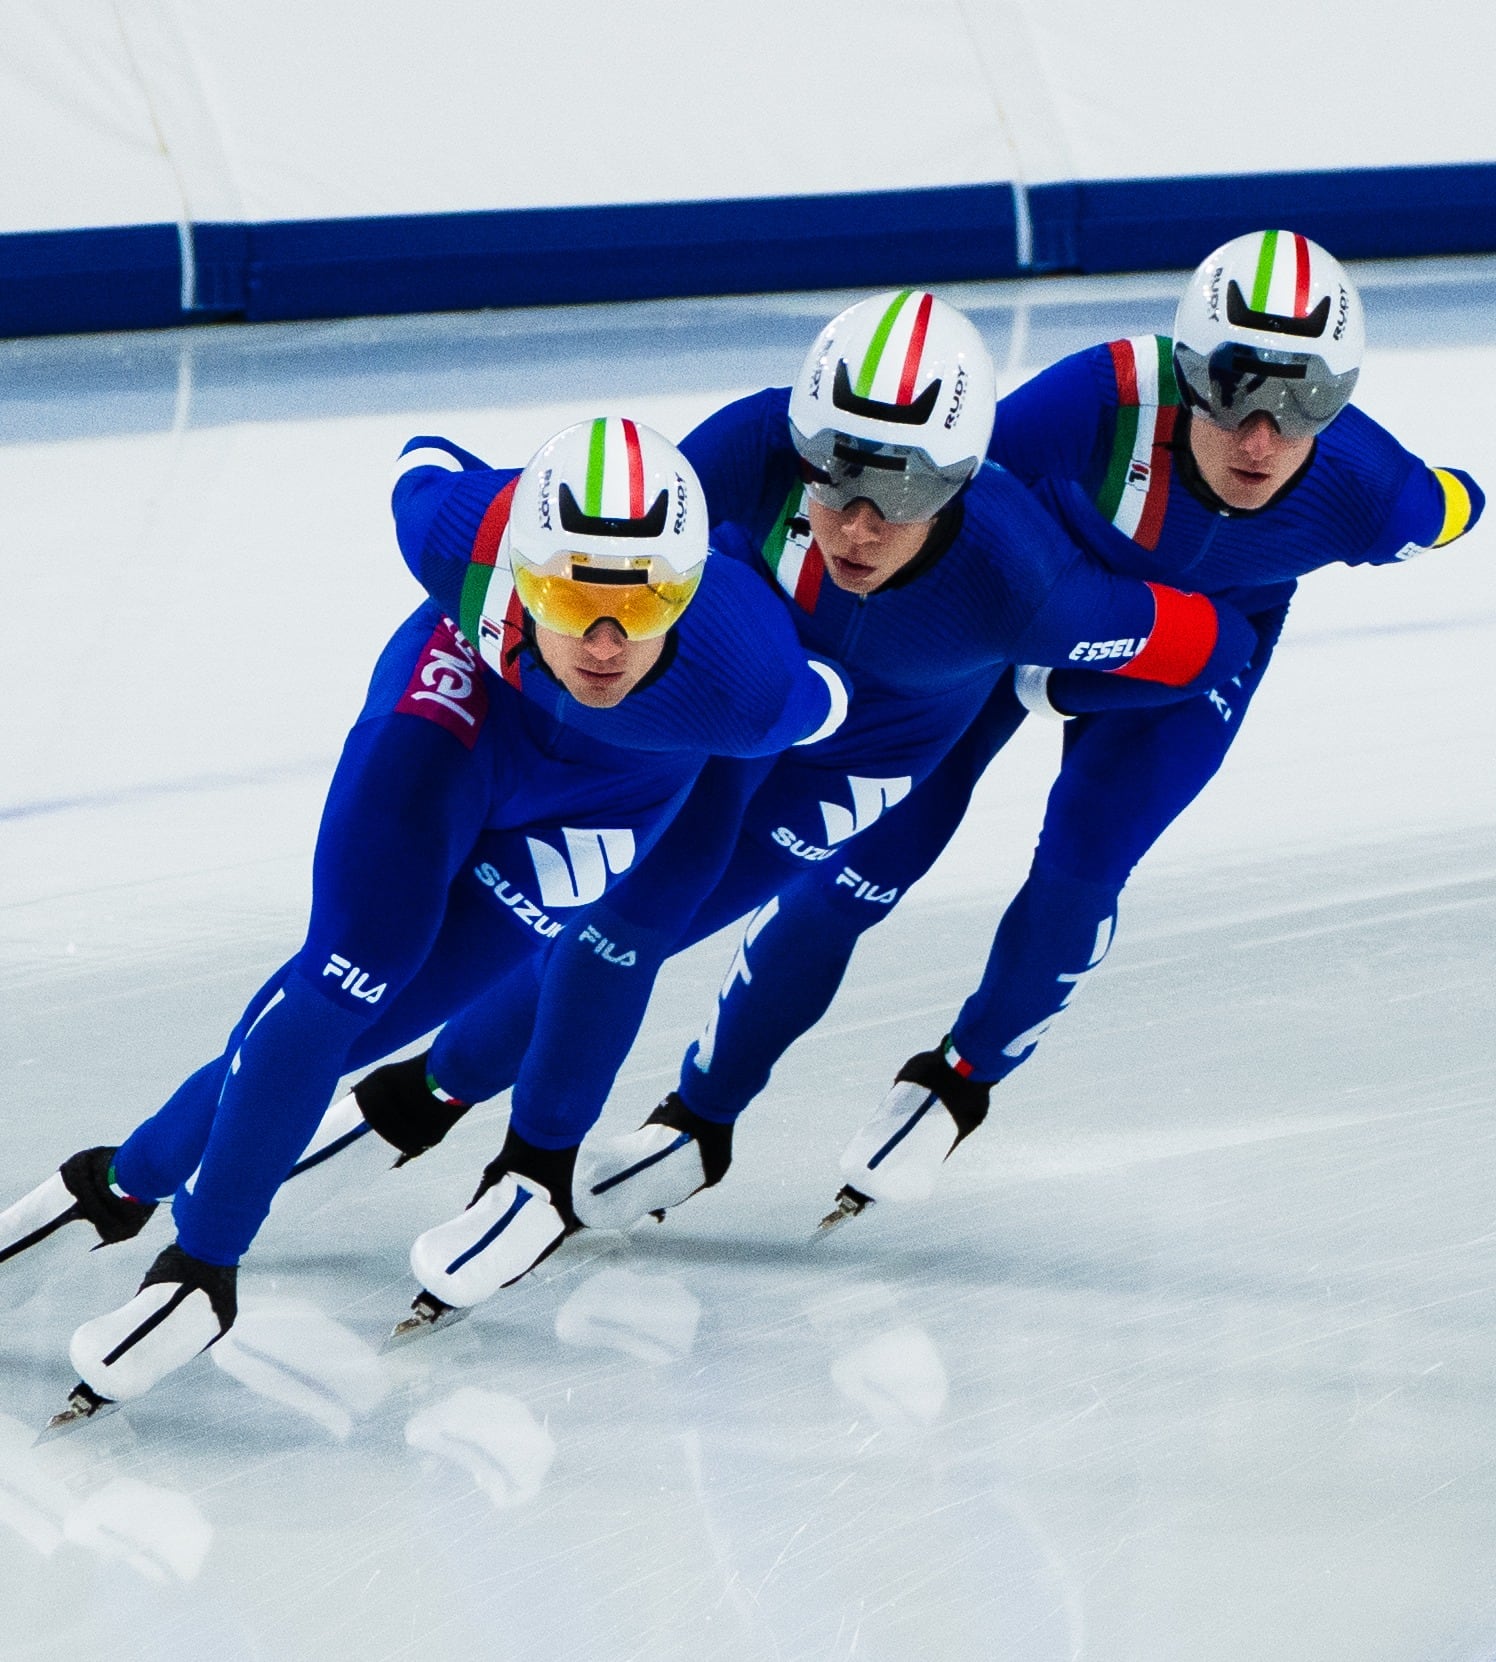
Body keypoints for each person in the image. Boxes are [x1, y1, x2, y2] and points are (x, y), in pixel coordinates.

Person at [319, 290, 1264, 1330]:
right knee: (612, 913)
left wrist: (1056, 689)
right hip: (740, 703)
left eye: (899, 491)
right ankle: (448, 1098)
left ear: (952, 486)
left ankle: (535, 1153)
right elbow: (608, 556)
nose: (857, 524)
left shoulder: (1024, 580)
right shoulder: (750, 442)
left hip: (869, 746)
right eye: (836, 472)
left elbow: (1211, 646)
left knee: (657, 921)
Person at [575, 231, 1485, 1233]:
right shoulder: (1082, 412)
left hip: (1176, 674)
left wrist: (1442, 499)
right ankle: (699, 1117)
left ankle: (959, 1080)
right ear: (1185, 374)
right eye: (1235, 391)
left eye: (1304, 401)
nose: (1262, 438)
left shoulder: (1371, 491)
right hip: (1014, 635)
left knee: (1085, 857)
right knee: (858, 869)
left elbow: (1455, 505)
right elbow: (928, 513)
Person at [0, 416, 850, 1425]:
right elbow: (425, 457)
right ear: (521, 572)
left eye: (646, 600)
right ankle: (201, 1263)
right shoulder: (459, 536)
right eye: (574, 596)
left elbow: (832, 699)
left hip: (604, 802)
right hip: (456, 716)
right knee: (346, 973)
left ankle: (120, 1181)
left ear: (688, 589)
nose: (606, 642)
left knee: (365, 1022)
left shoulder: (745, 686)